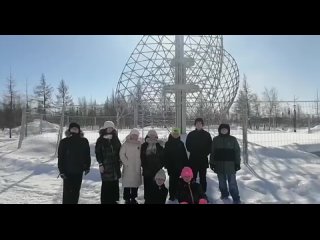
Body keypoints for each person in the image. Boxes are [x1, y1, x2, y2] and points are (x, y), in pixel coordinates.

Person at [58, 122, 91, 204]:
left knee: (76, 192)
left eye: (76, 128)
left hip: (78, 171)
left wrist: (87, 166)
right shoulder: (64, 142)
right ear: (69, 130)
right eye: (72, 128)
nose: (74, 130)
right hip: (67, 171)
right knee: (67, 193)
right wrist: (61, 171)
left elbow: (87, 155)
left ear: (79, 130)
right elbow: (60, 157)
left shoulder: (84, 141)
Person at [210, 123, 241, 204]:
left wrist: (237, 163)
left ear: (228, 130)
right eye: (222, 129)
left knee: (232, 183)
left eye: (225, 129)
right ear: (219, 130)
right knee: (222, 183)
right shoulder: (215, 139)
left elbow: (237, 152)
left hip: (231, 166)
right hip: (219, 165)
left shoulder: (233, 139)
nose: (224, 130)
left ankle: (236, 198)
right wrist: (212, 163)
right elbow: (212, 152)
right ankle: (224, 195)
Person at [95, 121, 121, 204]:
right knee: (106, 184)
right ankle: (105, 201)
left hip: (115, 165)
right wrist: (100, 164)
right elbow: (98, 153)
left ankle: (114, 200)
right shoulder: (100, 140)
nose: (110, 129)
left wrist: (120, 160)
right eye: (108, 127)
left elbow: (120, 150)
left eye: (111, 128)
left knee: (114, 183)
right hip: (106, 166)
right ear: (105, 128)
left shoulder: (115, 138)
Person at [185, 118, 212, 193]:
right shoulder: (191, 134)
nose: (198, 125)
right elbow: (187, 145)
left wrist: (205, 153)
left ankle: (203, 193)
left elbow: (210, 146)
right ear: (195, 124)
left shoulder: (207, 134)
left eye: (200, 123)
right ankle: (193, 193)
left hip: (203, 159)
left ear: (202, 125)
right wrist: (193, 151)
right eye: (197, 123)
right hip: (193, 159)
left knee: (203, 177)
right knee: (192, 177)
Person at [141, 129, 165, 204]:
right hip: (147, 170)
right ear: (148, 136)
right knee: (147, 185)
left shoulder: (159, 145)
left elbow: (163, 157)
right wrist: (144, 165)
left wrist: (160, 166)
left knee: (156, 185)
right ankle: (147, 200)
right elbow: (142, 157)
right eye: (150, 135)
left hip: (156, 170)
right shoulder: (144, 145)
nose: (152, 137)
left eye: (154, 135)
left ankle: (156, 199)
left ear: (156, 136)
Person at [164, 127, 188, 201]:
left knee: (178, 181)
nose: (175, 135)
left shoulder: (181, 143)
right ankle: (172, 195)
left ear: (178, 135)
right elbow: (165, 155)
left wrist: (186, 165)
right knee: (172, 181)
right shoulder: (167, 143)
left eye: (177, 134)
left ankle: (177, 194)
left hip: (179, 166)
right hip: (171, 166)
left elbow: (184, 155)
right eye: (174, 133)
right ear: (171, 134)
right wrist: (166, 164)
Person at [120, 128, 142, 204]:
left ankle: (133, 198)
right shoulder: (126, 143)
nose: (135, 136)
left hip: (136, 166)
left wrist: (141, 163)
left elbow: (142, 154)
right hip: (128, 167)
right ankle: (126, 198)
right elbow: (121, 154)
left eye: (136, 135)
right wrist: (126, 163)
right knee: (127, 184)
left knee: (135, 184)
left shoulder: (139, 144)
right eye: (133, 135)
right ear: (130, 135)